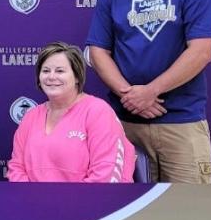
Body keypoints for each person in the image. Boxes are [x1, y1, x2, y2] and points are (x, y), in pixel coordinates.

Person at [85, 0, 211, 183]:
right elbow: (98, 51)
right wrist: (131, 95)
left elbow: (201, 52)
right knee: (125, 215)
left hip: (180, 122)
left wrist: (151, 92)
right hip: (125, 122)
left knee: (189, 212)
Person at [8, 42, 134, 183]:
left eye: (60, 71)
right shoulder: (31, 116)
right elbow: (16, 167)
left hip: (88, 202)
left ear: (77, 77)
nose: (51, 76)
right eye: (46, 71)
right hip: (33, 202)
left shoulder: (98, 112)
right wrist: (31, 198)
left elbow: (105, 174)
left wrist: (69, 202)